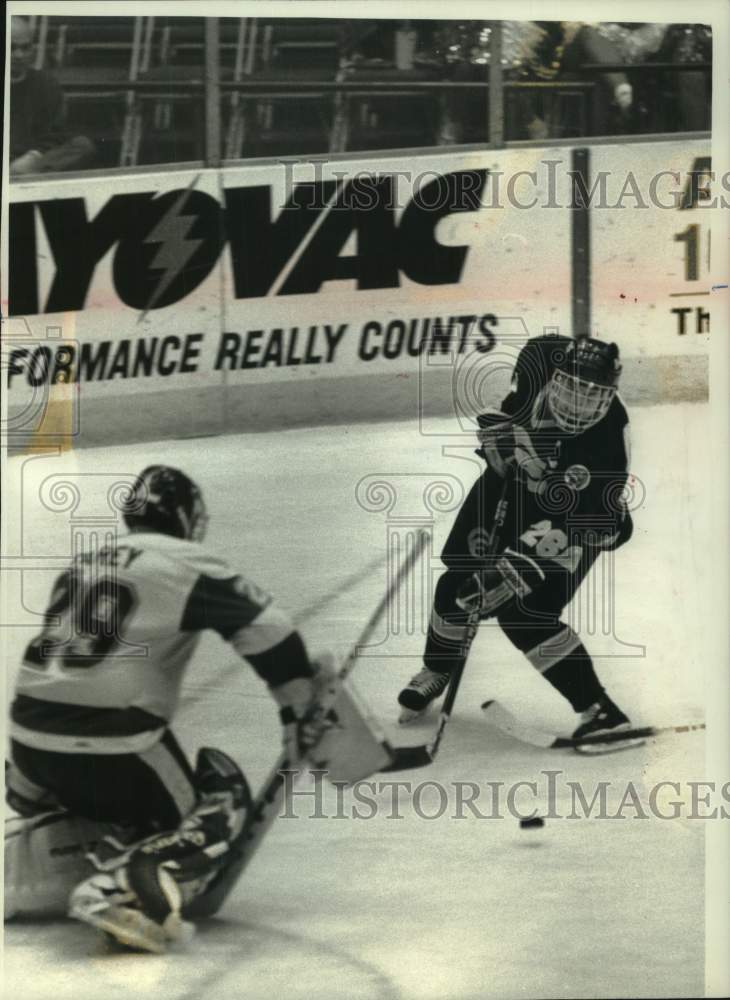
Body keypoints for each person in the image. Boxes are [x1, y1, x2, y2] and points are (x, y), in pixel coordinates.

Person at [5, 466, 332, 952]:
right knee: (220, 799)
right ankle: (133, 886)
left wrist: (27, 788)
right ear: (186, 518)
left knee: (110, 810)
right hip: (116, 744)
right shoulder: (186, 561)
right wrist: (297, 710)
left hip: (26, 746)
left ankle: (47, 858)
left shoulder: (86, 559)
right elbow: (271, 630)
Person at [398, 333, 634, 742]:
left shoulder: (608, 442)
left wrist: (513, 570)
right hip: (512, 492)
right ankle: (438, 668)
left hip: (581, 518)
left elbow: (588, 516)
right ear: (554, 375)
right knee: (457, 583)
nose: (578, 405)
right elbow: (499, 418)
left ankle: (600, 711)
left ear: (610, 396)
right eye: (572, 388)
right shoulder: (539, 361)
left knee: (527, 613)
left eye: (592, 396)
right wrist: (501, 445)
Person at [10, 16, 95, 176]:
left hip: (32, 161)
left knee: (82, 145)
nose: (19, 55)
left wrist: (32, 157)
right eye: (11, 48)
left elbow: (55, 135)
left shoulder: (46, 84)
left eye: (25, 47)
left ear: (32, 48)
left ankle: (23, 175)